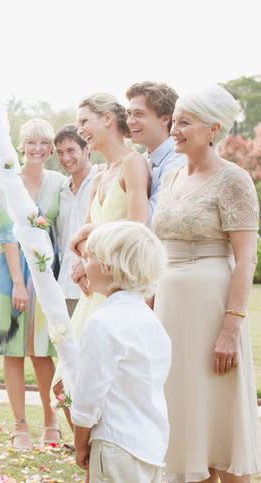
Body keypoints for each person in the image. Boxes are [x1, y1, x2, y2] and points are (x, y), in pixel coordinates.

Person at [152, 86, 261, 482]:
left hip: (213, 310)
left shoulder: (235, 180)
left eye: (184, 121)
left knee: (217, 417)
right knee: (180, 408)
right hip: (169, 307)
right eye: (174, 120)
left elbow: (246, 258)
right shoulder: (170, 177)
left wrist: (231, 326)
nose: (175, 129)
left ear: (213, 128)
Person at [53, 93, 149, 401]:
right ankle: (85, 449)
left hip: (118, 287)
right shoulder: (99, 175)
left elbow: (137, 229)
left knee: (104, 382)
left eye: (84, 121)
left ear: (108, 118)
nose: (80, 130)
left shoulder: (133, 164)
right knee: (71, 381)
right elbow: (80, 241)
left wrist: (92, 231)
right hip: (92, 288)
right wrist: (80, 262)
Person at [0, 118, 65, 450]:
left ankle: (51, 421)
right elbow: (6, 236)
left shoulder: (58, 182)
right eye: (31, 143)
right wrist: (18, 283)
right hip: (10, 274)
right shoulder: (8, 183)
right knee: (12, 349)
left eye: (44, 143)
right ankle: (20, 427)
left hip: (46, 274)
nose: (37, 149)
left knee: (43, 350)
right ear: (21, 146)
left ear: (51, 149)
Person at [72, 221, 171, 483]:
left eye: (89, 257)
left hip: (115, 444)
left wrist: (81, 444)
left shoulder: (102, 323)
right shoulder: (151, 321)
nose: (84, 264)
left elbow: (88, 396)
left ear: (109, 266)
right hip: (150, 445)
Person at [125, 81, 186, 226]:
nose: (130, 121)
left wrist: (94, 230)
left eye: (139, 114)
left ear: (165, 119)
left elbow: (153, 222)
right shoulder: (142, 160)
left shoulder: (180, 163)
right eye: (129, 114)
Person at [54, 125, 98, 316]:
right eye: (60, 152)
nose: (65, 158)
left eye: (71, 150)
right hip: (64, 286)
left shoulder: (101, 180)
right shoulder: (61, 190)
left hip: (94, 285)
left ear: (86, 149)